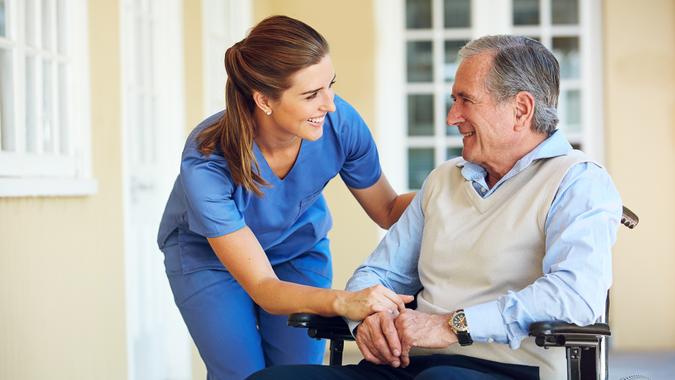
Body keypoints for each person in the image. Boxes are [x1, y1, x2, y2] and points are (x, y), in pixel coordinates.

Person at [249, 35, 622, 380]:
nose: (452, 117)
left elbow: (575, 296)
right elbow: (378, 273)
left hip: (511, 369)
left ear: (521, 109)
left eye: (466, 100)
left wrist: (452, 325)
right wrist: (371, 319)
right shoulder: (444, 179)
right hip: (409, 364)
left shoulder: (577, 180)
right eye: (453, 101)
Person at [156, 15, 415, 380]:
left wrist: (450, 191)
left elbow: (388, 210)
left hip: (296, 249)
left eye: (331, 86)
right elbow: (263, 287)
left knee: (299, 373)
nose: (330, 104)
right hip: (208, 258)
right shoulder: (208, 158)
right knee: (242, 374)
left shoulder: (340, 125)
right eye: (311, 95)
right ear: (264, 100)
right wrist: (344, 300)